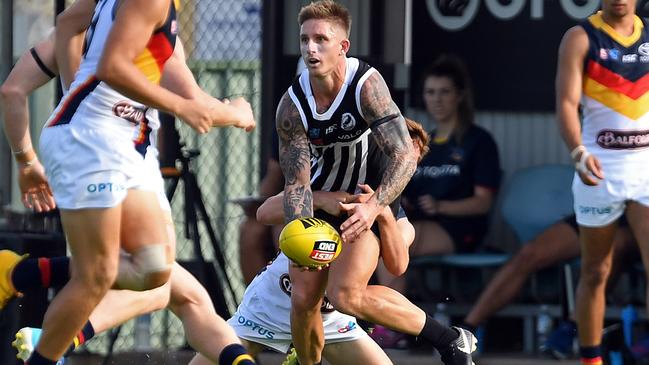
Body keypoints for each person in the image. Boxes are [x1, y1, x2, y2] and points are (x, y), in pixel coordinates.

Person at [1, 0, 256, 364]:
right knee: (101, 275)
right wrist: (80, 99)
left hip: (128, 146)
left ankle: (22, 276)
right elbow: (112, 67)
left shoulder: (154, 18)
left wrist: (234, 113)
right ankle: (44, 336)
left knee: (155, 271)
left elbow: (68, 23)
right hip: (94, 141)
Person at [275, 2, 476, 364]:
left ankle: (449, 340)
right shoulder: (292, 106)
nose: (311, 48)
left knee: (347, 294)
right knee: (304, 299)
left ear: (343, 46)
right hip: (327, 205)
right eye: (305, 39)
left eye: (321, 39)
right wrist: (301, 229)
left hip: (370, 197)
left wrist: (373, 208)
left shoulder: (366, 85)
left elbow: (404, 156)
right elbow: (296, 184)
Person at [556, 1, 649, 364]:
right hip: (600, 168)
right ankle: (591, 359)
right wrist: (578, 151)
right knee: (596, 270)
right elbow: (566, 102)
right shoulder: (580, 37)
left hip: (645, 167)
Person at [460, 215, 636, 359]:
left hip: (638, 213)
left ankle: (572, 327)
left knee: (612, 247)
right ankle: (468, 328)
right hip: (600, 207)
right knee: (529, 254)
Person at [236, 130, 284, 284]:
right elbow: (274, 173)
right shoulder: (289, 118)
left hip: (324, 202)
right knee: (250, 230)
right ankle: (258, 300)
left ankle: (292, 298)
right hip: (289, 200)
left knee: (283, 231)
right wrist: (258, 204)